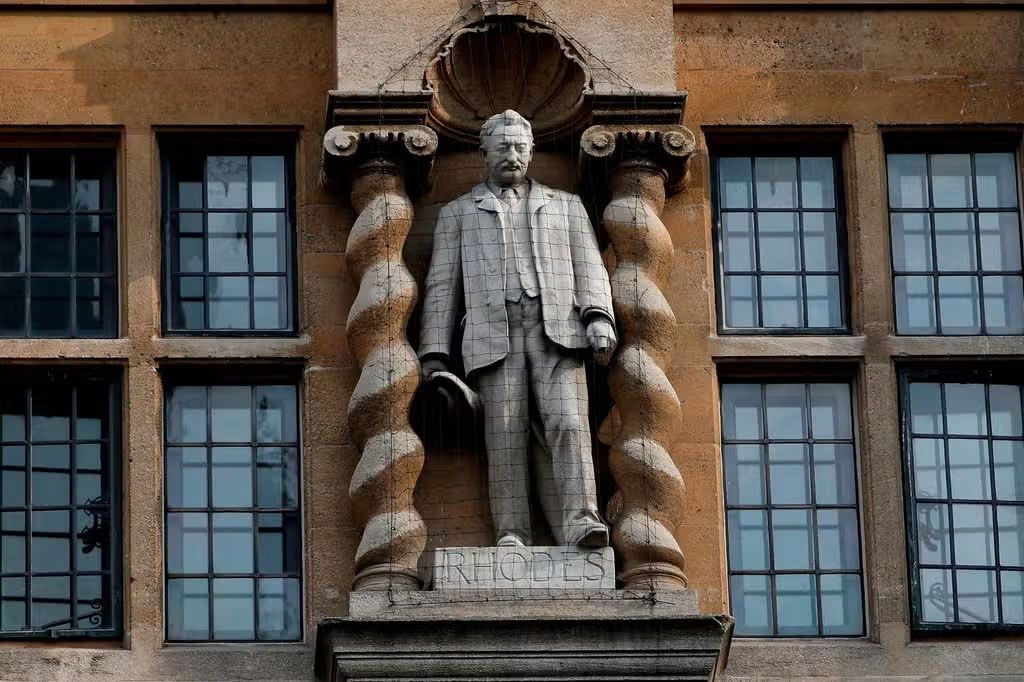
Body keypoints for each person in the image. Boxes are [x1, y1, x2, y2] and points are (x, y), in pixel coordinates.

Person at [418, 109, 616, 548]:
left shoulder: (565, 205)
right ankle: (512, 531)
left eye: (520, 146)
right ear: (484, 153)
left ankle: (582, 521)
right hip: (492, 334)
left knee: (569, 423)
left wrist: (599, 316)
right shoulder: (458, 212)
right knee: (504, 432)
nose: (513, 154)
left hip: (559, 331)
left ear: (531, 152)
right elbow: (441, 284)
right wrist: (434, 355)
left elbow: (590, 265)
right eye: (503, 146)